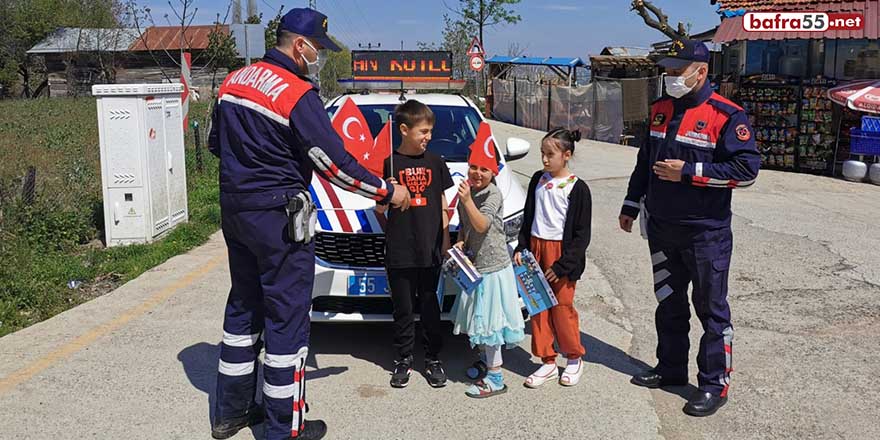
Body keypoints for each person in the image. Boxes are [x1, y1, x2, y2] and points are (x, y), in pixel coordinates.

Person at [207, 8, 410, 440]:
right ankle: (286, 428)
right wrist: (387, 192)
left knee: (243, 307)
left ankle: (231, 412)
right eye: (317, 48)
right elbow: (334, 163)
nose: (317, 57)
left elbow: (213, 144)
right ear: (299, 45)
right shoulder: (296, 93)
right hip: (279, 218)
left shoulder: (232, 83)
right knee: (286, 320)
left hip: (235, 210)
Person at [619, 39, 760, 417]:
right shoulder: (660, 109)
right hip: (662, 228)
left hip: (705, 233)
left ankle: (714, 385)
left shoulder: (727, 115)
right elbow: (644, 160)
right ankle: (670, 369)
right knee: (669, 302)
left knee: (711, 311)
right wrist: (631, 204)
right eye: (667, 69)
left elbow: (746, 172)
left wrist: (690, 173)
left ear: (701, 71)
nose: (670, 76)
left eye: (677, 70)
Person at [378, 100, 453, 389]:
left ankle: (433, 358)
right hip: (399, 249)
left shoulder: (436, 162)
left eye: (431, 131)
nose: (428, 137)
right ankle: (403, 358)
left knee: (430, 305)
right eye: (423, 131)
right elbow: (379, 211)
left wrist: (445, 238)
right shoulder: (389, 163)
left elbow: (443, 202)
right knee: (403, 308)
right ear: (404, 129)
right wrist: (386, 190)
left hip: (430, 247)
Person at [513, 128, 592, 388]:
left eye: (551, 154)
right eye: (542, 154)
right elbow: (529, 217)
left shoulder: (578, 189)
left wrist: (562, 265)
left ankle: (573, 357)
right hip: (535, 249)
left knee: (562, 307)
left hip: (562, 255)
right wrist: (521, 248)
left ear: (566, 155)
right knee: (537, 306)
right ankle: (546, 360)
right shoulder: (538, 179)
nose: (545, 160)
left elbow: (581, 236)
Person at [449, 133, 525, 398]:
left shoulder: (493, 194)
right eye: (473, 167)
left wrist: (468, 200)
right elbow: (466, 225)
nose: (477, 173)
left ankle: (496, 378)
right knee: (478, 321)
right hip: (475, 266)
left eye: (484, 169)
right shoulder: (466, 193)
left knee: (491, 325)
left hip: (493, 268)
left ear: (493, 172)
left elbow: (482, 224)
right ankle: (486, 362)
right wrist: (460, 242)